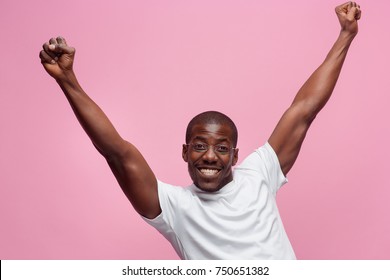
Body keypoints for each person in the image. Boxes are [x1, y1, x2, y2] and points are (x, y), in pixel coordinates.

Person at [39, 2, 361, 259]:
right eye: (199, 145)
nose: (209, 155)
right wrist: (68, 81)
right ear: (184, 151)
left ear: (236, 155)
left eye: (222, 148)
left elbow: (304, 109)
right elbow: (117, 153)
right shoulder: (174, 207)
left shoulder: (259, 172)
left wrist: (345, 35)